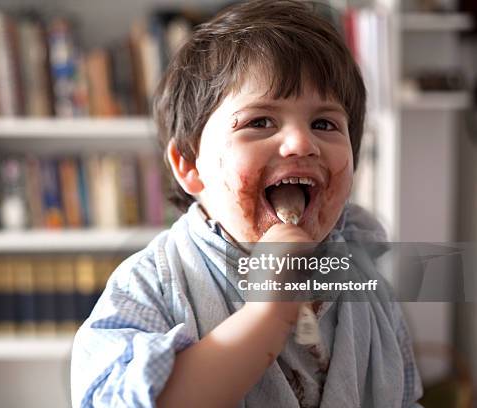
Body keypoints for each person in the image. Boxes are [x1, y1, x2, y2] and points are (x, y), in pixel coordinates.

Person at [71, 1, 423, 407]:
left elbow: (404, 394)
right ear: (189, 165)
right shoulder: (153, 285)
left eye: (324, 124)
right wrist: (266, 317)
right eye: (260, 122)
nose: (301, 143)